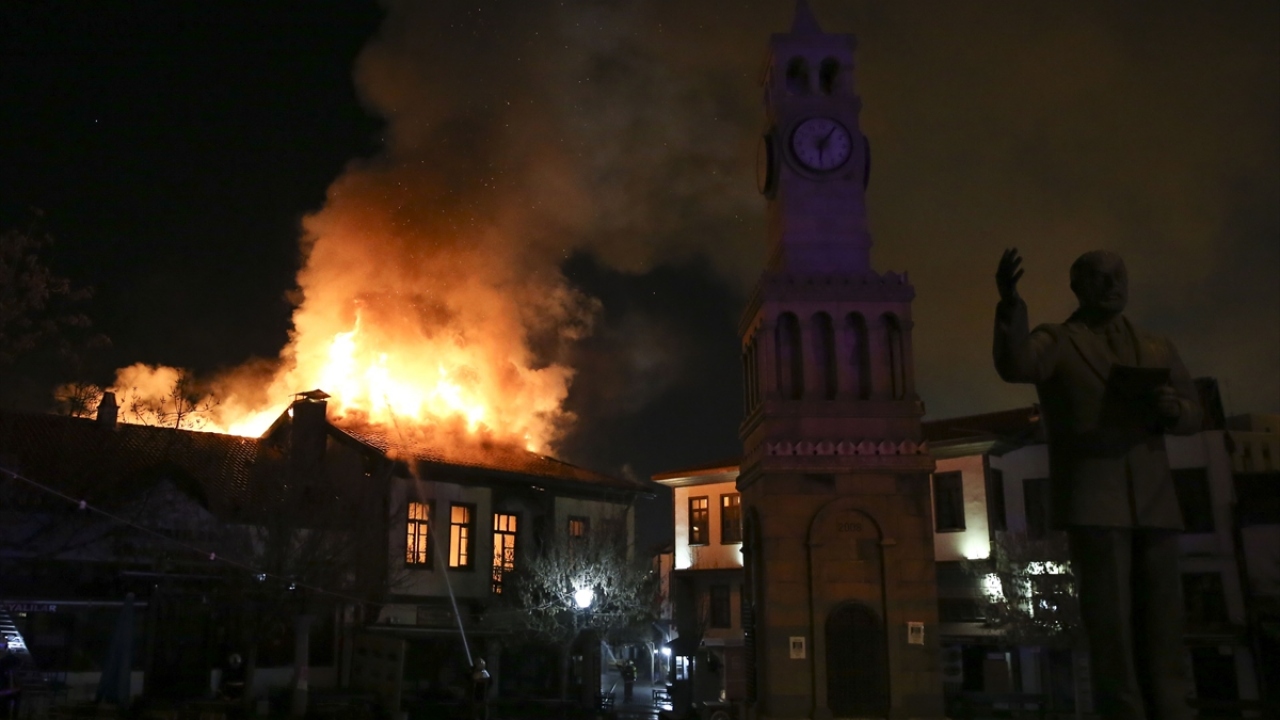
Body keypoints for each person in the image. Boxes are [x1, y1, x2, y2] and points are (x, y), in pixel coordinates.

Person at [993, 248, 1201, 720]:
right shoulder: (1059, 341)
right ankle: (1124, 711)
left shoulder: (1156, 347)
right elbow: (1017, 365)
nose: (1112, 285)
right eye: (1100, 278)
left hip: (1153, 501)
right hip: (1094, 499)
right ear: (1078, 287)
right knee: (1112, 628)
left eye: (1118, 276)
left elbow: (1194, 410)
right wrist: (1010, 306)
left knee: (1165, 621)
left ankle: (1172, 707)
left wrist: (1175, 410)